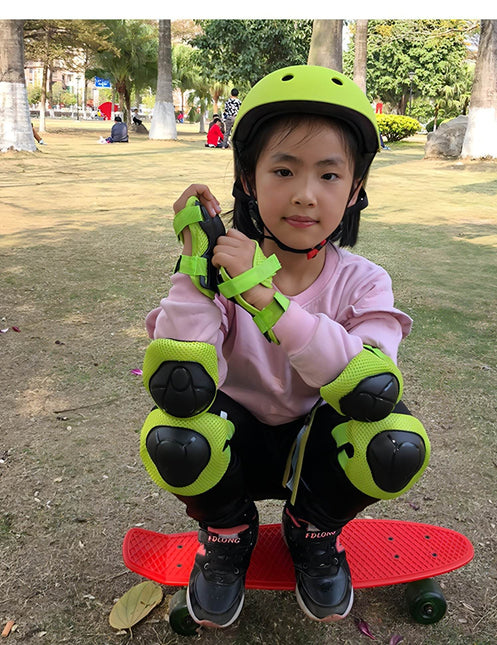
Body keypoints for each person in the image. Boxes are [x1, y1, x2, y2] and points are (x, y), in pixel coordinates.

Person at [139, 65, 430, 629]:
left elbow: (370, 385)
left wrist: (266, 299)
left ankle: (312, 533)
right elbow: (183, 372)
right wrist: (197, 263)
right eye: (282, 169)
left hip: (316, 453)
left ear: (355, 190)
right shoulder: (222, 268)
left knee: (393, 438)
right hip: (234, 448)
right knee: (175, 425)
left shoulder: (364, 281)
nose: (304, 194)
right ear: (247, 180)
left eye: (328, 174)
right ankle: (228, 534)